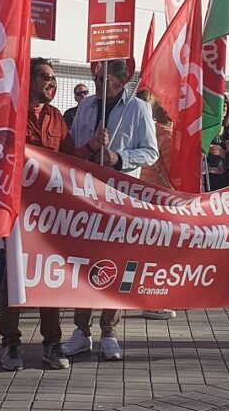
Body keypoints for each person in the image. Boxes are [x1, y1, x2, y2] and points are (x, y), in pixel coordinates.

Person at [63, 58, 159, 362]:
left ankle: (109, 331)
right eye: (96, 78)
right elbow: (75, 146)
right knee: (83, 261)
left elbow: (151, 151)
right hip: (86, 196)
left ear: (122, 79)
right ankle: (81, 331)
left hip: (120, 198)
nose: (98, 84)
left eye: (104, 79)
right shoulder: (87, 106)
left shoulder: (138, 108)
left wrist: (119, 157)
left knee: (114, 262)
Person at [0, 58, 74, 372]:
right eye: (45, 76)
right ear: (29, 80)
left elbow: (71, 159)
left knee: (49, 275)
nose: (51, 82)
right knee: (12, 278)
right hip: (17, 212)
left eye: (54, 78)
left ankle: (52, 343)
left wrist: (91, 149)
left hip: (49, 214)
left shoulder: (56, 117)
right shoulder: (10, 113)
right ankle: (10, 344)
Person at [134, 89, 177, 321]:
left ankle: (148, 298)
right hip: (162, 200)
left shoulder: (148, 132)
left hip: (145, 196)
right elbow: (174, 169)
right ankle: (153, 301)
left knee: (148, 250)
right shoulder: (166, 134)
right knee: (159, 253)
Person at [206, 95, 229, 190]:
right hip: (207, 175)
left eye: (225, 107)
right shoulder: (206, 127)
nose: (223, 110)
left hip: (224, 176)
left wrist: (223, 152)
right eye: (220, 107)